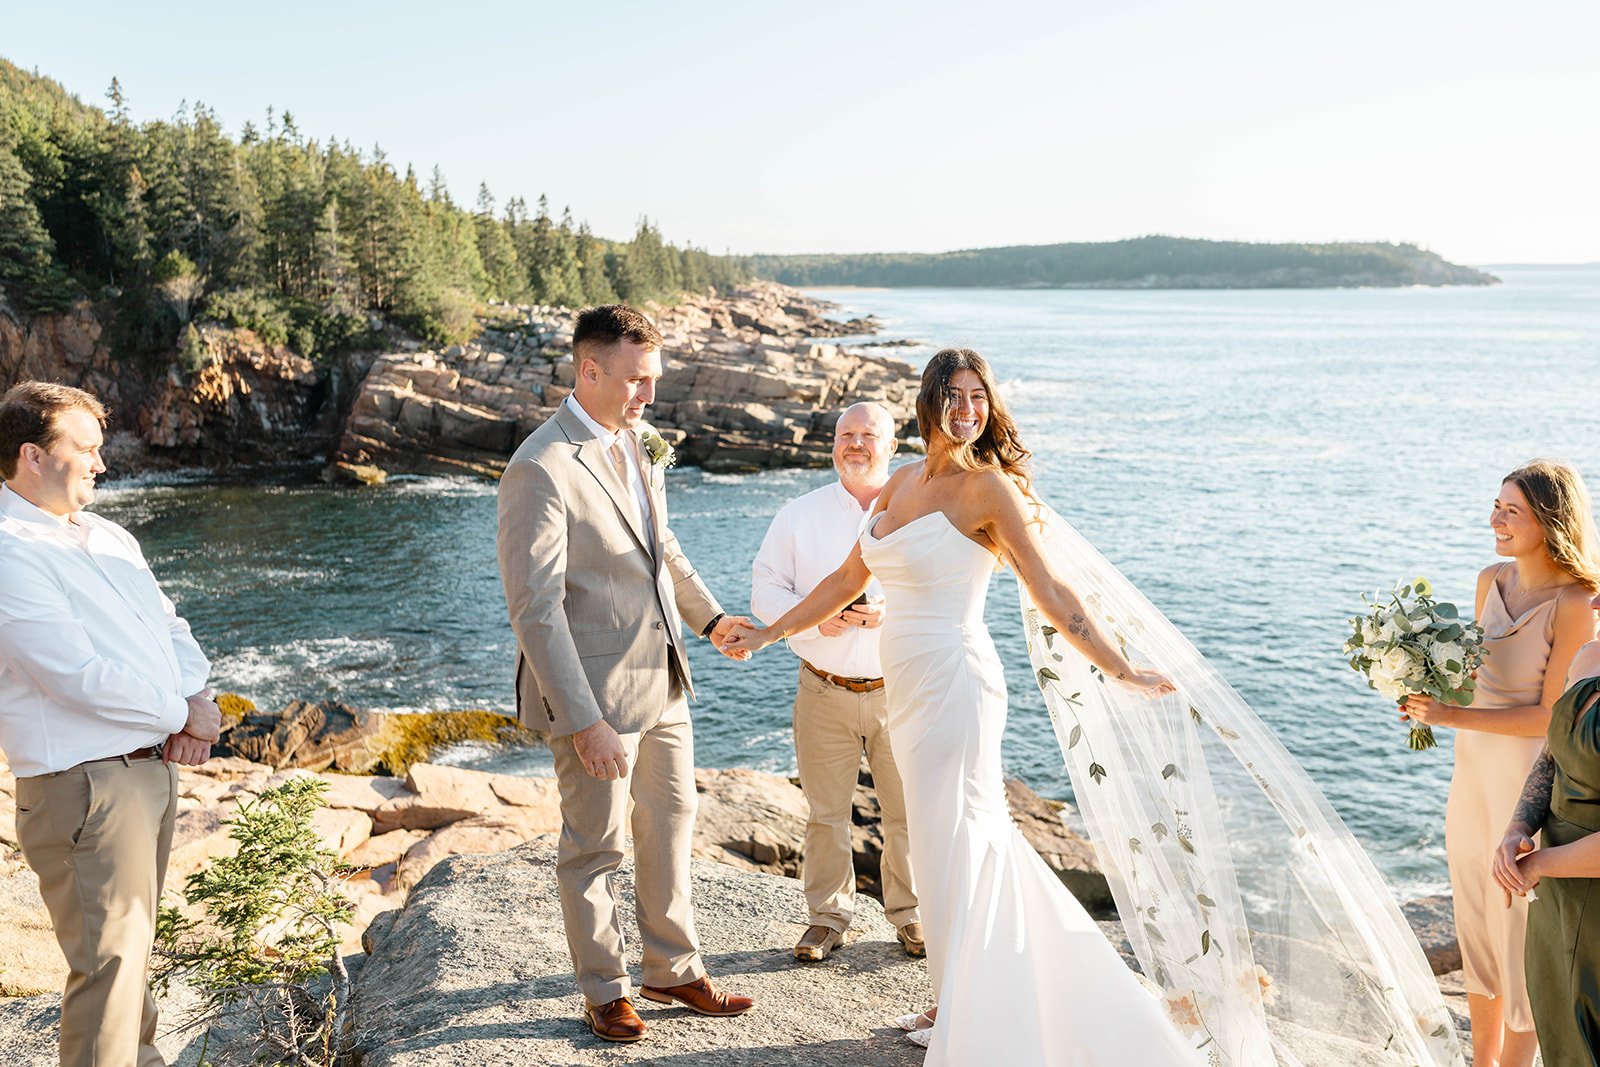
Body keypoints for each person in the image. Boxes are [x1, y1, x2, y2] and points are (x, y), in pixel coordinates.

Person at [722, 349, 1465, 1066]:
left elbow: (1054, 591)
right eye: (955, 395)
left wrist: (1119, 667)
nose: (969, 409)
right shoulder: (900, 485)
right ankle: (955, 991)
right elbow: (845, 578)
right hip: (908, 688)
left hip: (955, 680)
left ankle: (979, 1001)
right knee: (948, 843)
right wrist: (767, 630)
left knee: (960, 838)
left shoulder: (990, 491)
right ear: (928, 403)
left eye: (980, 396)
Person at [496, 304, 755, 1044]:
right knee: (594, 847)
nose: (650, 395)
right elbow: (536, 611)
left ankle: (672, 967)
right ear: (590, 370)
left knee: (673, 824)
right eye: (638, 380)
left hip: (664, 678)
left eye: (655, 380)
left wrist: (709, 621)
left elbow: (660, 545)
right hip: (598, 699)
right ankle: (606, 988)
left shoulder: (639, 441)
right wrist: (583, 720)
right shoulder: (540, 467)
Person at [0, 381, 221, 1067]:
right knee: (109, 972)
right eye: (86, 448)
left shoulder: (108, 534)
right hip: (86, 785)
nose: (101, 463)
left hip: (145, 773)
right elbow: (74, 674)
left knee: (131, 965)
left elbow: (170, 625)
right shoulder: (9, 551)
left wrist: (198, 699)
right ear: (33, 455)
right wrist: (180, 711)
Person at [1403, 460, 1600, 1067]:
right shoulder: (1490, 580)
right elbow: (1471, 682)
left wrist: (1450, 716)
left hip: (1526, 781)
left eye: (1511, 510)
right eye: (1496, 505)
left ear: (1549, 517)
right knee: (1477, 924)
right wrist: (1416, 678)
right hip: (1471, 780)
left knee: (1518, 929)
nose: (1495, 519)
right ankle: (1478, 1061)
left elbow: (1551, 716)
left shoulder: (1578, 602)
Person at [751, 401, 922, 962]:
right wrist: (813, 616)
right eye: (846, 434)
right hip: (822, 689)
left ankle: (913, 916)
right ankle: (827, 918)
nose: (855, 444)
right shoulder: (796, 515)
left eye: (868, 435)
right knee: (825, 814)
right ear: (833, 444)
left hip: (900, 690)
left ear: (892, 446)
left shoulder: (921, 513)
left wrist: (890, 611)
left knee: (907, 812)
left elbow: (943, 589)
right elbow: (766, 591)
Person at [1494, 616, 1600, 1066]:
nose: (1596, 600)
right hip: (1556, 888)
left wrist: (1538, 865)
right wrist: (1517, 830)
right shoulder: (1589, 656)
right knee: (1556, 1017)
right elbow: (1551, 755)